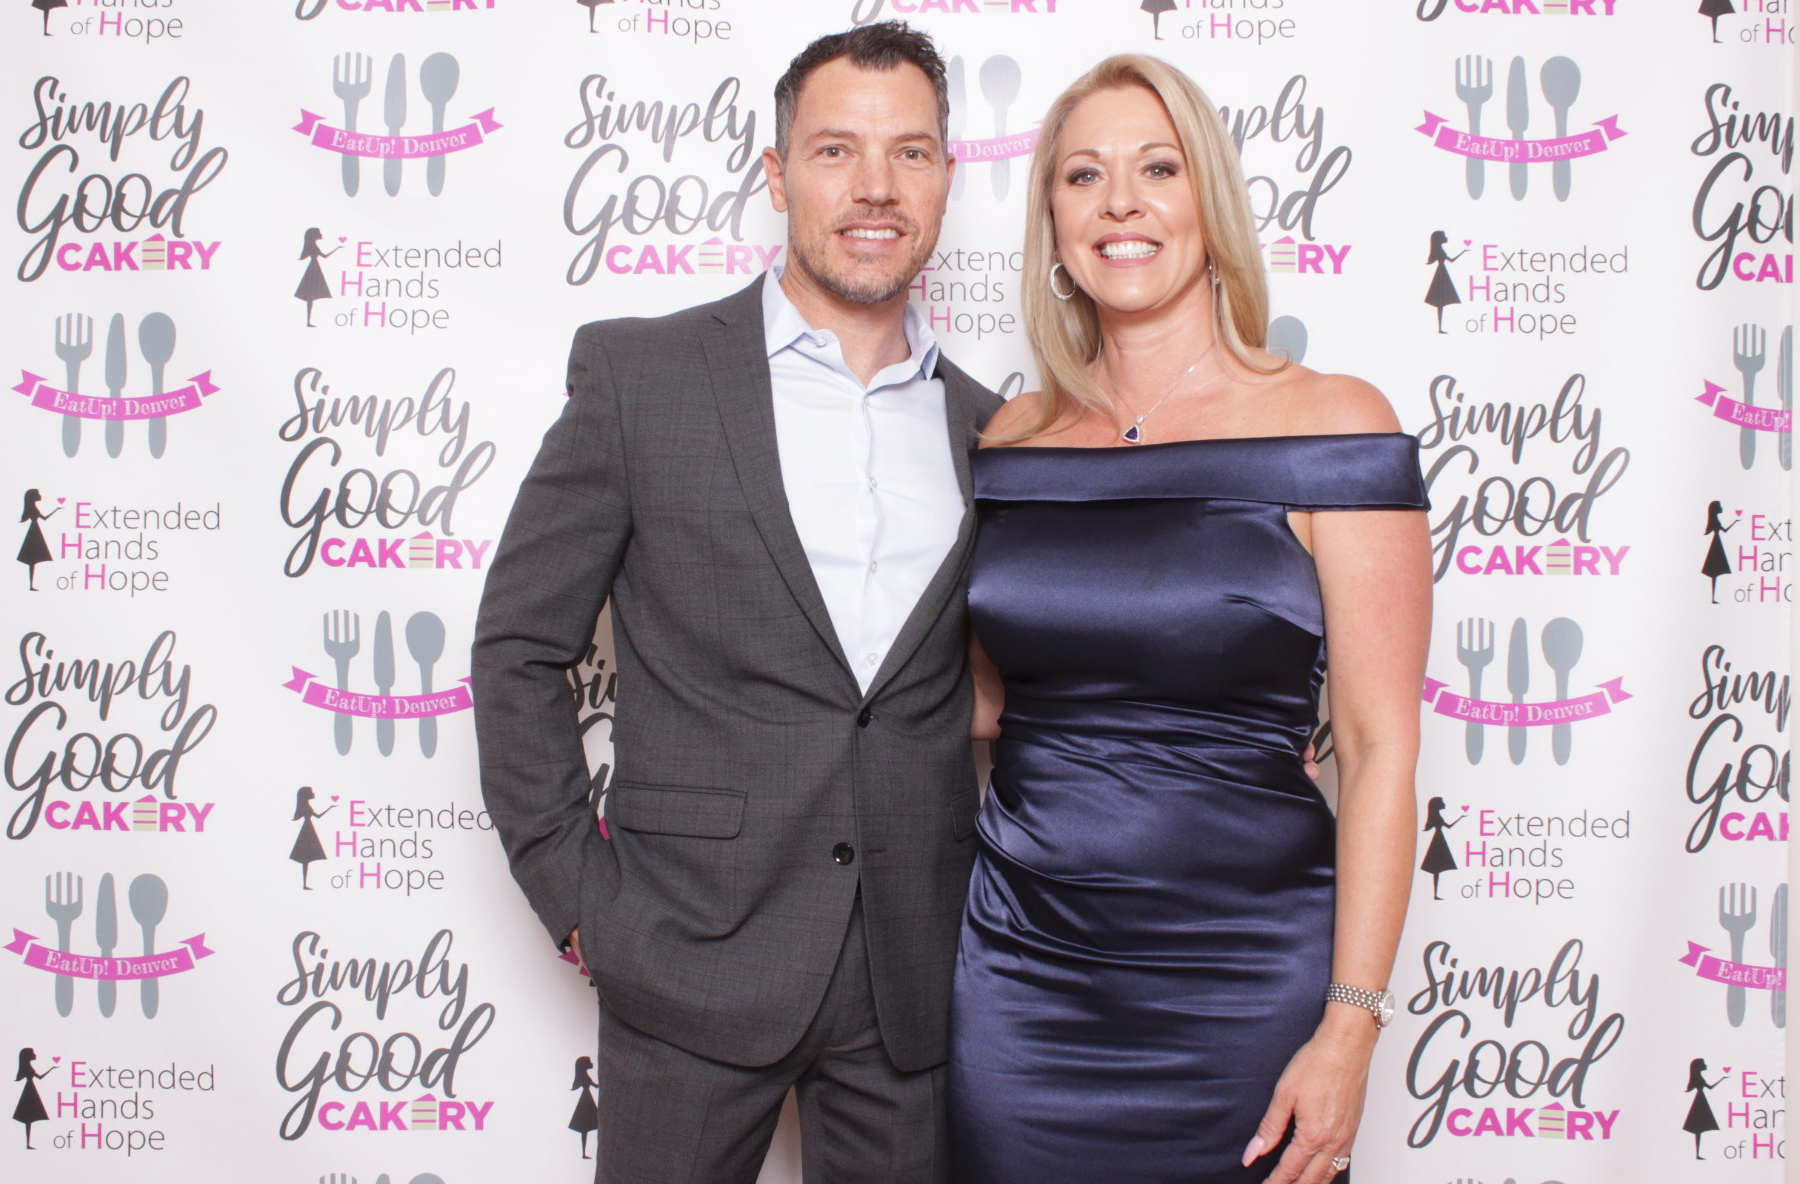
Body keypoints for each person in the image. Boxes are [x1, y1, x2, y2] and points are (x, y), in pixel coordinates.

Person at [472, 22, 1000, 1184]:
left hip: (911, 978)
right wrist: (578, 896)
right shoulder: (642, 379)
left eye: (910, 153)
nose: (875, 186)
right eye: (836, 150)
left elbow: (1001, 682)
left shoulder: (993, 428)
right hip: (685, 956)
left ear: (946, 179)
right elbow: (518, 645)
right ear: (777, 173)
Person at [950, 55, 1430, 1184]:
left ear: (1209, 202)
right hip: (1024, 977)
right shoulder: (1011, 441)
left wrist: (1351, 1026)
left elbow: (1377, 749)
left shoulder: (1335, 425)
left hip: (1248, 976)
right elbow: (983, 698)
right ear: (1053, 222)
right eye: (1083, 175)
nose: (1120, 202)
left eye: (1157, 169)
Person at [17, 489, 56, 592]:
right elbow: (45, 518)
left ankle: (31, 585)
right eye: (38, 494)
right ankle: (31, 585)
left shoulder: (33, 507)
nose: (40, 496)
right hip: (34, 532)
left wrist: (56, 510)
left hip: (34, 531)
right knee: (32, 559)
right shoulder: (33, 508)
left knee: (32, 560)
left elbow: (44, 518)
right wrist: (56, 510)